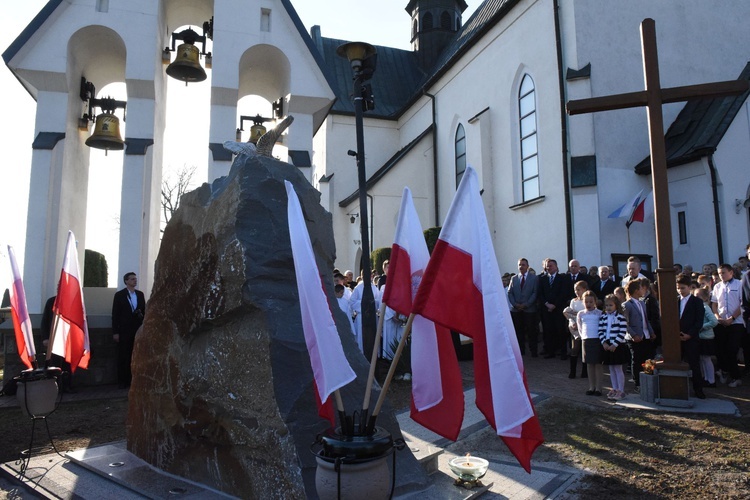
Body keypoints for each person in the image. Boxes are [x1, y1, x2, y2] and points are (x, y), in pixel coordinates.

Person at [712, 263, 744, 387]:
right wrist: (717, 317)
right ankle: (724, 371)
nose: (721, 275)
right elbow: (714, 303)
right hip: (721, 322)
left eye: (724, 273)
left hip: (736, 322)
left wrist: (732, 318)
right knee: (720, 349)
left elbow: (742, 303)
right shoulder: (717, 286)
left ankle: (736, 377)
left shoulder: (739, 284)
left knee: (732, 349)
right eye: (720, 273)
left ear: (731, 272)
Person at [112, 272, 146, 389]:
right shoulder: (120, 295)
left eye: (135, 279)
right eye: (132, 279)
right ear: (126, 281)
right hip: (124, 330)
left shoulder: (140, 294)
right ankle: (122, 381)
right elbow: (115, 314)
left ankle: (134, 380)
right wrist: (115, 332)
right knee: (123, 355)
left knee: (135, 355)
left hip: (137, 329)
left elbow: (144, 311)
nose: (134, 281)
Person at [677, 273, 707, 399]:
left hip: (691, 338)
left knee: (694, 364)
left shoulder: (697, 302)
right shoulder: (674, 301)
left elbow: (699, 321)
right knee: (676, 363)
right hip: (677, 338)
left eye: (683, 288)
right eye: (678, 288)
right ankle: (678, 388)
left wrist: (689, 334)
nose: (680, 290)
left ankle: (698, 389)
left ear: (689, 287)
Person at [624, 278, 655, 393]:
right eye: (641, 288)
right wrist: (633, 335)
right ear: (636, 290)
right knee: (637, 360)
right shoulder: (627, 305)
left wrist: (651, 332)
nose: (643, 290)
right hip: (635, 338)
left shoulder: (642, 303)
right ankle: (638, 383)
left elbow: (645, 320)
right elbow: (625, 323)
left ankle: (648, 380)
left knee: (648, 359)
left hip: (645, 335)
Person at [538, 258, 572, 359]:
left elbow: (563, 293)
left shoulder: (563, 278)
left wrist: (554, 305)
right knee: (548, 331)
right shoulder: (542, 279)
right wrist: (547, 304)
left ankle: (563, 352)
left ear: (556, 267)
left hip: (558, 309)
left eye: (551, 265)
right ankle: (550, 351)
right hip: (546, 309)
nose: (549, 268)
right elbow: (540, 294)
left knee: (560, 330)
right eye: (547, 266)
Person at [507, 258, 539, 357]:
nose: (521, 266)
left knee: (531, 331)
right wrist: (515, 304)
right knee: (518, 331)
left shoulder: (534, 278)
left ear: (527, 266)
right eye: (520, 265)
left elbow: (535, 293)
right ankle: (521, 350)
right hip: (516, 310)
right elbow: (510, 292)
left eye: (523, 264)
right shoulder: (514, 278)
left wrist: (526, 304)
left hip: (529, 309)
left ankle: (533, 351)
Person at [599, 294, 628, 400]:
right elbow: (600, 331)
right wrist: (604, 343)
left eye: (611, 305)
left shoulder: (620, 317)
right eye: (606, 305)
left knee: (618, 368)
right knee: (611, 368)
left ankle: (621, 390)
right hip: (607, 344)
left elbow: (622, 332)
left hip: (617, 345)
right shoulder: (603, 317)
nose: (608, 307)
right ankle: (614, 388)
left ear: (616, 305)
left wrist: (615, 344)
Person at [576, 291, 603, 396]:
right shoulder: (581, 314)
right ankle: (591, 386)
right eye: (586, 302)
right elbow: (580, 327)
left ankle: (599, 388)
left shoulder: (599, 313)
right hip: (586, 340)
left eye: (591, 302)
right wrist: (583, 337)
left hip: (597, 339)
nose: (589, 304)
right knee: (589, 364)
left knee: (598, 364)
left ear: (595, 302)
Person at [563, 280, 589, 378]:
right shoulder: (574, 301)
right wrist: (573, 323)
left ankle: (584, 371)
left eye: (578, 290)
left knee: (584, 349)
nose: (576, 292)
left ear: (584, 289)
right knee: (575, 348)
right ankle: (572, 371)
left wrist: (580, 323)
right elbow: (570, 315)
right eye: (575, 290)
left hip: (585, 326)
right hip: (575, 328)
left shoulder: (587, 300)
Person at [694, 286, 718, 387]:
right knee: (702, 359)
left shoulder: (705, 307)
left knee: (707, 359)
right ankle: (706, 378)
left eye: (696, 296)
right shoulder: (699, 307)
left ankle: (711, 380)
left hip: (706, 337)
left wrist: (701, 327)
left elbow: (714, 321)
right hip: (701, 336)